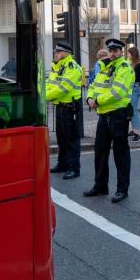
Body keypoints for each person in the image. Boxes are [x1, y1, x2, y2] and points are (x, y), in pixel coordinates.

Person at [84, 39, 135, 203]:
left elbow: (118, 92)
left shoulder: (124, 68)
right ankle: (100, 186)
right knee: (100, 152)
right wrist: (90, 97)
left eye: (116, 50)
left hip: (118, 114)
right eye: (110, 50)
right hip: (104, 115)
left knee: (120, 154)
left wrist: (97, 101)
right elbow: (93, 85)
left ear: (121, 52)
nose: (112, 53)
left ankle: (122, 189)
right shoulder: (104, 66)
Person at [46, 42, 83, 180]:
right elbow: (50, 84)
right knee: (61, 138)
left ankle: (74, 168)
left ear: (65, 53)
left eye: (58, 52)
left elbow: (62, 89)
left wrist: (44, 96)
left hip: (70, 108)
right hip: (60, 107)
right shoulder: (58, 67)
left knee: (71, 139)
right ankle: (63, 164)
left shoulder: (72, 68)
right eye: (55, 52)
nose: (55, 54)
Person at [127, 47, 140, 142]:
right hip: (131, 88)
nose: (127, 55)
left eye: (129, 53)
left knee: (134, 111)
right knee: (131, 110)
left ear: (133, 54)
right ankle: (134, 130)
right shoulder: (131, 64)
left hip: (135, 88)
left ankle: (138, 133)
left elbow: (135, 78)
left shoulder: (139, 65)